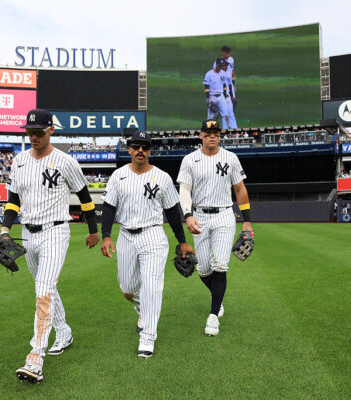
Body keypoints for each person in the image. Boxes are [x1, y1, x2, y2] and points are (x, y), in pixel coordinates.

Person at [0, 109, 100, 383]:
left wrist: (93, 230)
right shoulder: (18, 162)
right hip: (27, 233)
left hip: (56, 231)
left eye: (39, 132)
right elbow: (13, 200)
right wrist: (5, 229)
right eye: (30, 132)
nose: (33, 136)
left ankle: (35, 358)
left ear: (51, 130)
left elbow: (86, 198)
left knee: (42, 291)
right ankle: (63, 331)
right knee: (47, 288)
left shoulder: (65, 162)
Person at [100, 130, 194, 358]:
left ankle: (148, 336)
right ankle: (144, 310)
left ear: (149, 151)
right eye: (136, 146)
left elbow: (172, 211)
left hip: (152, 235)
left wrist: (182, 241)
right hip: (125, 236)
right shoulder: (118, 176)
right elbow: (109, 207)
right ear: (129, 149)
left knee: (152, 287)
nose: (140, 150)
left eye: (145, 146)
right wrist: (106, 235)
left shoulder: (161, 177)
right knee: (128, 288)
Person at [177, 119, 253, 337]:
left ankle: (213, 316)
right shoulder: (190, 160)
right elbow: (184, 190)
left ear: (219, 136)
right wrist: (188, 215)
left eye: (216, 133)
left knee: (220, 264)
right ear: (200, 135)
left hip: (224, 215)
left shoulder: (230, 158)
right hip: (199, 215)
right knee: (202, 269)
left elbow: (240, 189)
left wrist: (246, 220)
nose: (212, 136)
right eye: (208, 132)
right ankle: (217, 297)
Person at [203, 58, 229, 128]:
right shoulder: (209, 74)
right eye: (220, 65)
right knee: (211, 117)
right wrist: (208, 99)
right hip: (212, 96)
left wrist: (225, 93)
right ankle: (209, 131)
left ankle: (226, 130)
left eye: (222, 66)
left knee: (225, 114)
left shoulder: (223, 73)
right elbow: (206, 88)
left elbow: (224, 85)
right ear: (216, 64)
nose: (221, 67)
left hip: (221, 96)